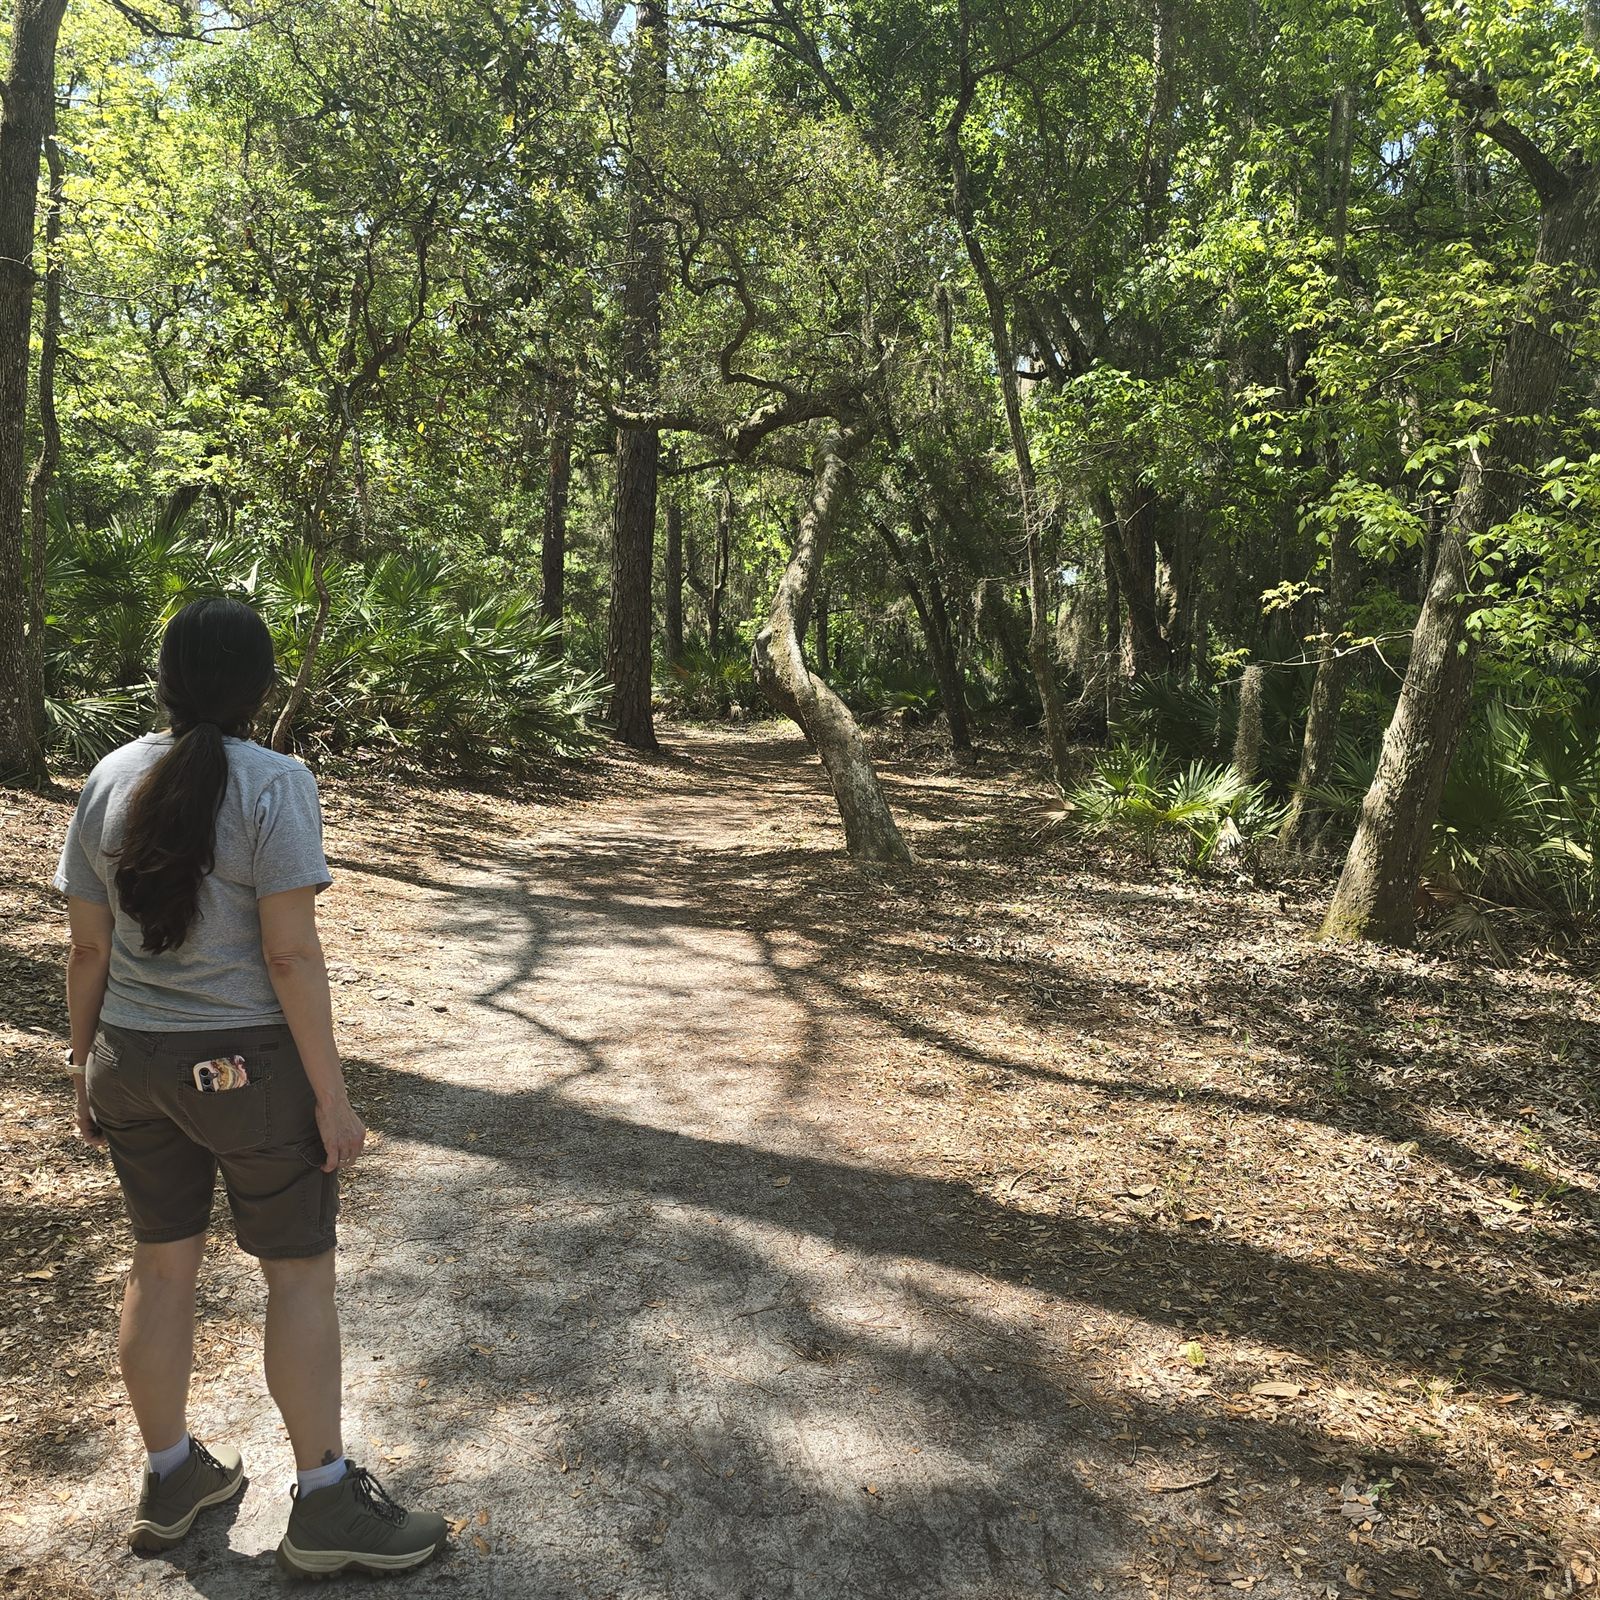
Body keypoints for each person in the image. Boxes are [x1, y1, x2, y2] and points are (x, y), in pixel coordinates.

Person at [53, 597, 446, 1578]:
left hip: (131, 1061)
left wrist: (80, 1063)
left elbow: (88, 945)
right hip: (245, 1070)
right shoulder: (276, 783)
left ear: (167, 677)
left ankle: (169, 1475)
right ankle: (323, 1506)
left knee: (159, 1265)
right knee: (298, 1271)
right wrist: (334, 1096)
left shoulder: (108, 776)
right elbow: (286, 953)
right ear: (259, 686)